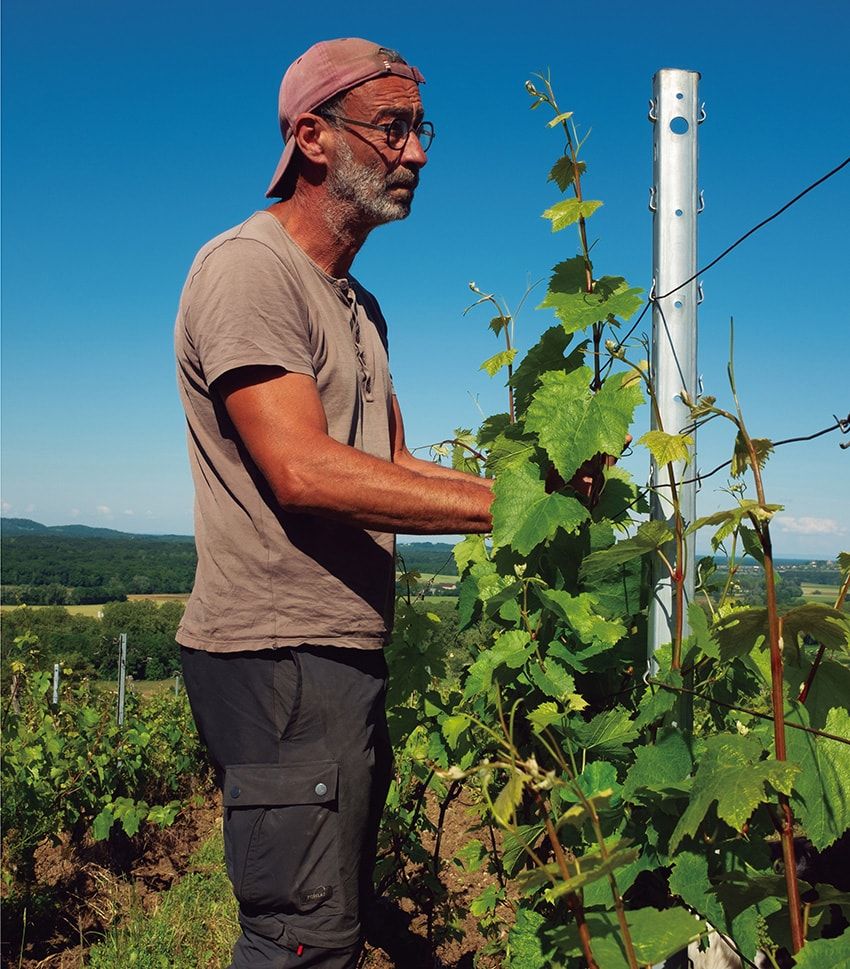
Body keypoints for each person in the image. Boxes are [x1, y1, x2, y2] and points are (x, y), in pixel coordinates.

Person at [173, 38, 494, 969]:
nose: (417, 153)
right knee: (301, 940)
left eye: (419, 127)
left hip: (333, 652)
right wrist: (504, 509)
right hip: (279, 655)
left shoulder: (358, 305)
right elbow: (304, 470)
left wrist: (530, 497)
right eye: (392, 127)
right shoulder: (248, 270)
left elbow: (390, 460)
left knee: (330, 916)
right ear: (313, 137)